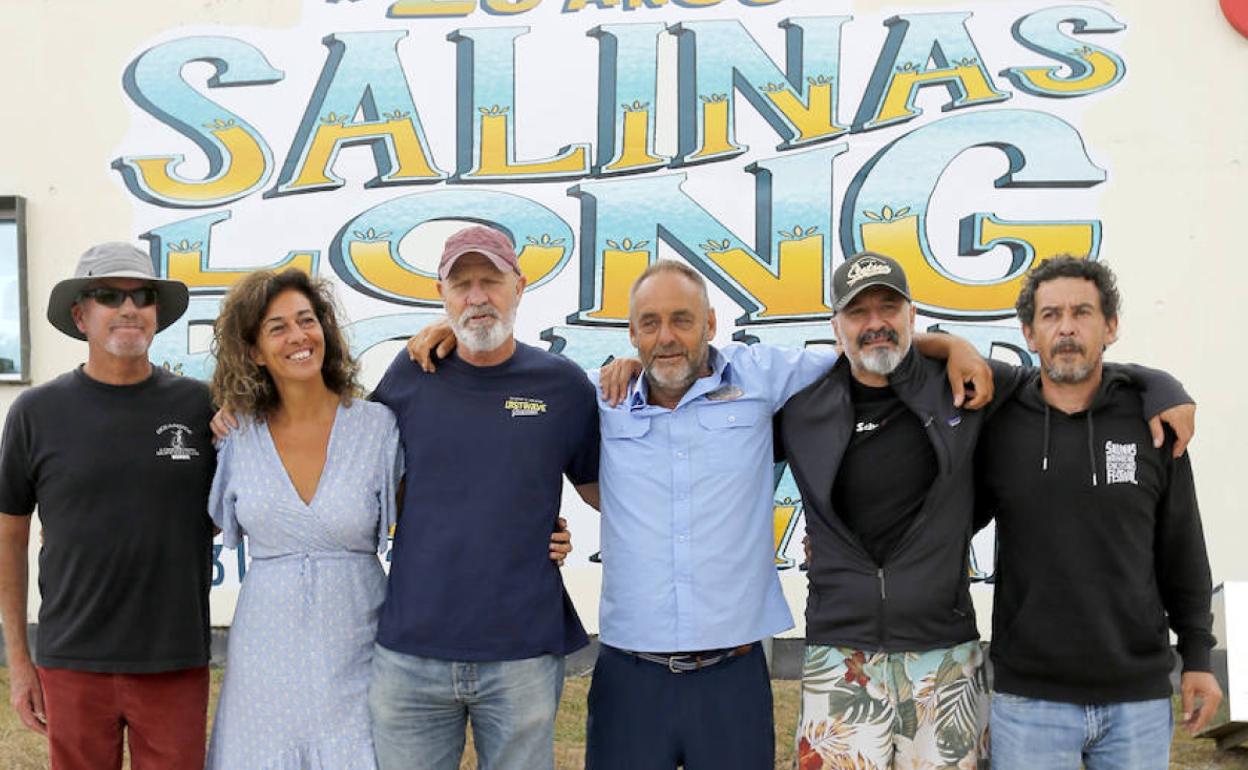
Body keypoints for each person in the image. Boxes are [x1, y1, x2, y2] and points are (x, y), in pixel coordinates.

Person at [407, 258, 992, 770]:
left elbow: (866, 344)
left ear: (711, 324)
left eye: (682, 320)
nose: (667, 337)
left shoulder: (762, 377)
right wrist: (451, 332)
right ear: (631, 334)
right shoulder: (595, 398)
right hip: (629, 674)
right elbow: (500, 390)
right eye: (650, 323)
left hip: (732, 675)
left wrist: (951, 345)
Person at [777, 252, 1195, 770]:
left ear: (912, 316)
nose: (875, 323)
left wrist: (1161, 385)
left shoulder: (965, 388)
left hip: (943, 656)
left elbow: (1067, 370)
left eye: (889, 307)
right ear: (835, 326)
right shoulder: (799, 408)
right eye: (857, 313)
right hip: (840, 656)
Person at [365, 225, 600, 770]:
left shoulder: (562, 386)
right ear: (440, 294)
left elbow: (606, 495)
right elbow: (354, 472)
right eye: (461, 284)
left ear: (519, 286)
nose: (477, 296)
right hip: (410, 653)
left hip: (521, 653)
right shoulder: (409, 373)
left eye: (490, 280)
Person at [976, 256, 1220, 770]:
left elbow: (1182, 546)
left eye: (1082, 312)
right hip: (1029, 699)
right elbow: (944, 521)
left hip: (1137, 699)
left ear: (1109, 327)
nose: (1066, 327)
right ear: (1029, 331)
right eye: (1050, 315)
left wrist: (1198, 655)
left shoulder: (1153, 423)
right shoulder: (998, 426)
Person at [0, 243, 214, 770]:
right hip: (72, 657)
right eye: (107, 296)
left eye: (142, 296)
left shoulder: (202, 406)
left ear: (156, 313)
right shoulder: (35, 412)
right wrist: (20, 661)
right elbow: (10, 535)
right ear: (80, 314)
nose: (127, 308)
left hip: (174, 657)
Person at [205, 268, 402, 768]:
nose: (298, 337)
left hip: (358, 645)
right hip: (263, 653)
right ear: (253, 350)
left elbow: (438, 514)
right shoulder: (237, 436)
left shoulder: (377, 428)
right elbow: (191, 524)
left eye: (306, 320)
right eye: (277, 327)